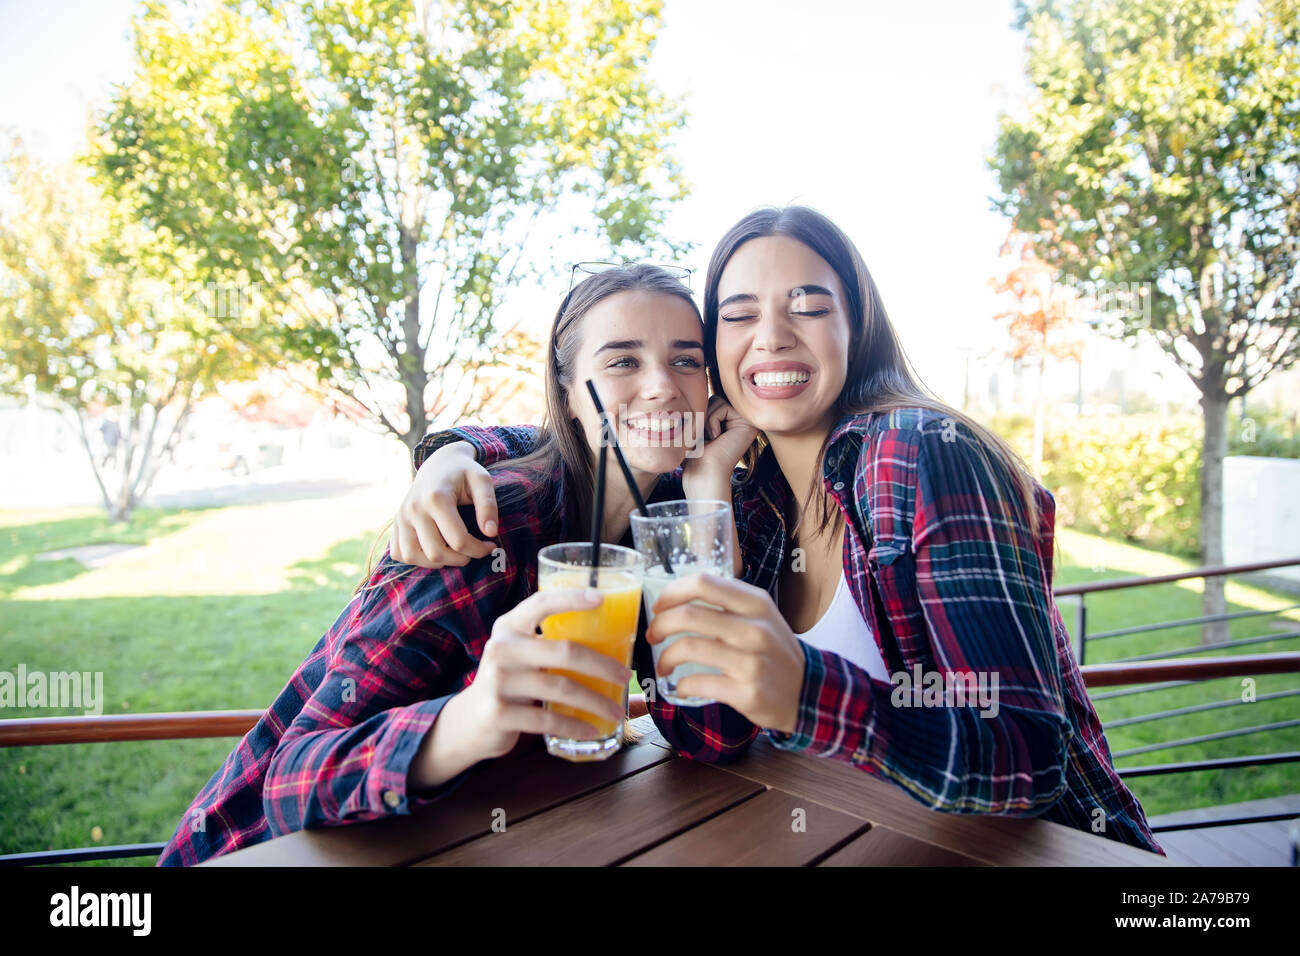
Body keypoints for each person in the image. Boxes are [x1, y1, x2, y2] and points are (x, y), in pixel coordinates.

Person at [391, 206, 1166, 856]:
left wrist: (805, 691)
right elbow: (705, 734)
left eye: (808, 305)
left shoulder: (920, 453)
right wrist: (451, 449)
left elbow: (1030, 759)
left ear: (855, 326)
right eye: (738, 315)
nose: (771, 336)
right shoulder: (750, 499)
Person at [155, 263, 755, 866]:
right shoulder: (488, 521)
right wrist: (469, 720)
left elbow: (711, 734)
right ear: (570, 393)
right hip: (254, 851)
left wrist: (709, 489)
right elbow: (291, 781)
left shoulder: (665, 523)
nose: (661, 386)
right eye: (623, 362)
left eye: (686, 360)